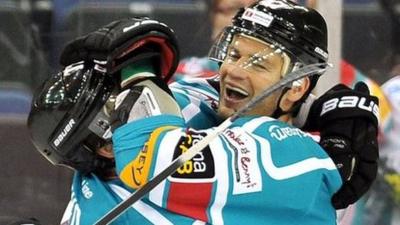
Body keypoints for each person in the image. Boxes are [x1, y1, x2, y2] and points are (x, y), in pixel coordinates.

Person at [27, 1, 379, 224]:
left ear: (296, 87)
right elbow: (72, 134)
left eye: (258, 63)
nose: (234, 71)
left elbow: (148, 163)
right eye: (234, 53)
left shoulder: (287, 157)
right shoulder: (205, 97)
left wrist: (138, 71)